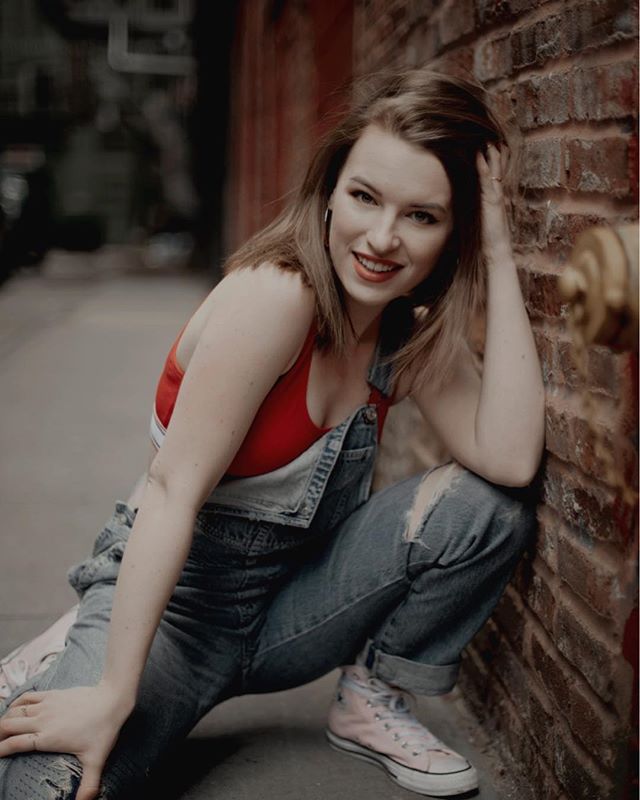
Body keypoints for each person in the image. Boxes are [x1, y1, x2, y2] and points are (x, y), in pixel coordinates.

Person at [0, 67, 545, 799]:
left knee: (488, 509)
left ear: (453, 233)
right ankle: (75, 652)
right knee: (44, 787)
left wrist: (501, 251)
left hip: (292, 616)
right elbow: (170, 494)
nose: (382, 238)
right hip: (179, 620)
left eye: (423, 216)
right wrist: (112, 694)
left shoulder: (399, 334)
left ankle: (370, 700)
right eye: (364, 197)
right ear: (329, 192)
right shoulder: (275, 298)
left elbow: (509, 461)